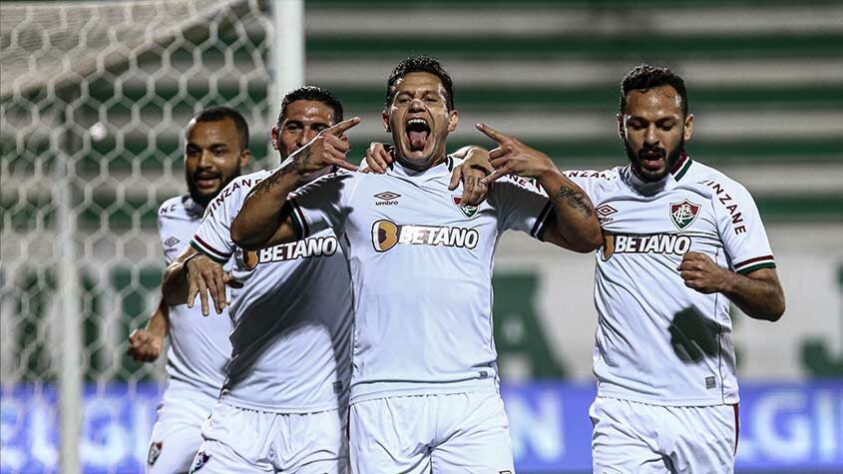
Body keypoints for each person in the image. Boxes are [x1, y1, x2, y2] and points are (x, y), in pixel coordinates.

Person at [230, 56, 602, 473]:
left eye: (431, 99)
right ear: (387, 118)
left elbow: (586, 237)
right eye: (404, 100)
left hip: (470, 398)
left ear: (452, 118)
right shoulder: (353, 187)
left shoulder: (486, 186)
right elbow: (246, 231)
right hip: (381, 398)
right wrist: (297, 165)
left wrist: (548, 171)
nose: (417, 106)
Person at [576, 64, 786, 473]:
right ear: (621, 126)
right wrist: (473, 157)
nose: (651, 138)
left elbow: (773, 301)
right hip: (624, 405)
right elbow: (535, 180)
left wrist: (723, 279)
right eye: (638, 125)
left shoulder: (722, 196)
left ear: (687, 127)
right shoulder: (600, 190)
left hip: (704, 405)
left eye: (665, 125)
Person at [162, 87, 354, 473]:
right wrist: (189, 268)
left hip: (323, 419)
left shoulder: (356, 197)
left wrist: (471, 157)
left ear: (340, 140)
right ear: (275, 136)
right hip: (241, 413)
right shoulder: (239, 195)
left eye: (319, 129)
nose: (305, 140)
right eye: (294, 127)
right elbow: (173, 289)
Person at [128, 106, 249, 473]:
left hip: (250, 397)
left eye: (218, 151)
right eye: (194, 151)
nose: (203, 163)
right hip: (190, 394)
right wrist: (156, 329)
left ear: (244, 157)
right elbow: (176, 285)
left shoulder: (265, 222)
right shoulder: (171, 215)